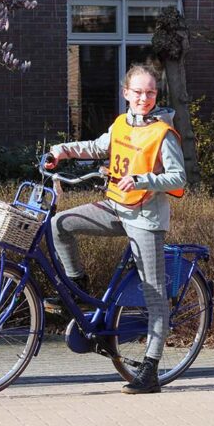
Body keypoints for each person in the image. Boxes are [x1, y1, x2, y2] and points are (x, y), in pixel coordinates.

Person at [45, 64, 187, 394]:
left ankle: (150, 369)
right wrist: (61, 151)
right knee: (59, 224)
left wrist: (143, 180)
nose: (144, 98)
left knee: (154, 295)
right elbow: (98, 147)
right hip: (115, 207)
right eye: (138, 92)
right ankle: (78, 282)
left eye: (150, 92)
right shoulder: (121, 124)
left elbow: (179, 179)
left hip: (146, 219)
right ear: (126, 93)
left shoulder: (163, 134)